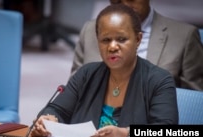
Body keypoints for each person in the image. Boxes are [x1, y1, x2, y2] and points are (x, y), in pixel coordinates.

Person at [30, 4, 178, 137]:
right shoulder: (86, 74)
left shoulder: (159, 80)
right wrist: (49, 120)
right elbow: (56, 109)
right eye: (105, 40)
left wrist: (126, 134)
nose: (112, 47)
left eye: (121, 39)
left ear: (138, 39)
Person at [71, 0, 203, 91]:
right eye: (116, 2)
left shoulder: (185, 36)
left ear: (139, 38)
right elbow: (73, 90)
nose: (125, 5)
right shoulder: (90, 30)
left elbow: (194, 104)